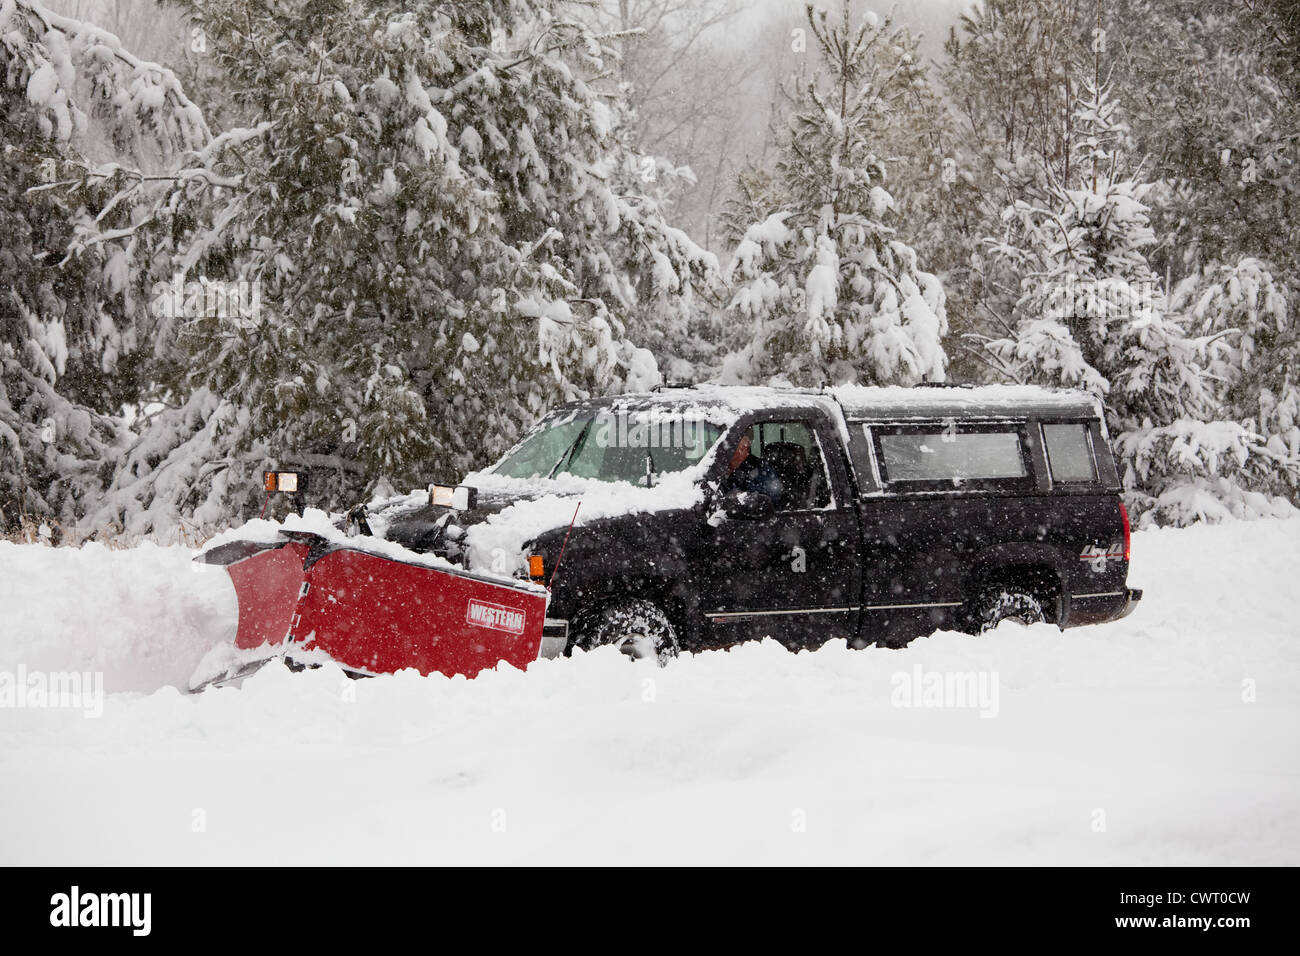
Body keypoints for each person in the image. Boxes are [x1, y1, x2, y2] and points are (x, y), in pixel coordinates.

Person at [725, 433, 784, 503]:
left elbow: (774, 495)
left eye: (734, 448)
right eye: (728, 448)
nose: (728, 452)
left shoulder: (761, 468)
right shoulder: (723, 465)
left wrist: (745, 496)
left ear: (745, 449)